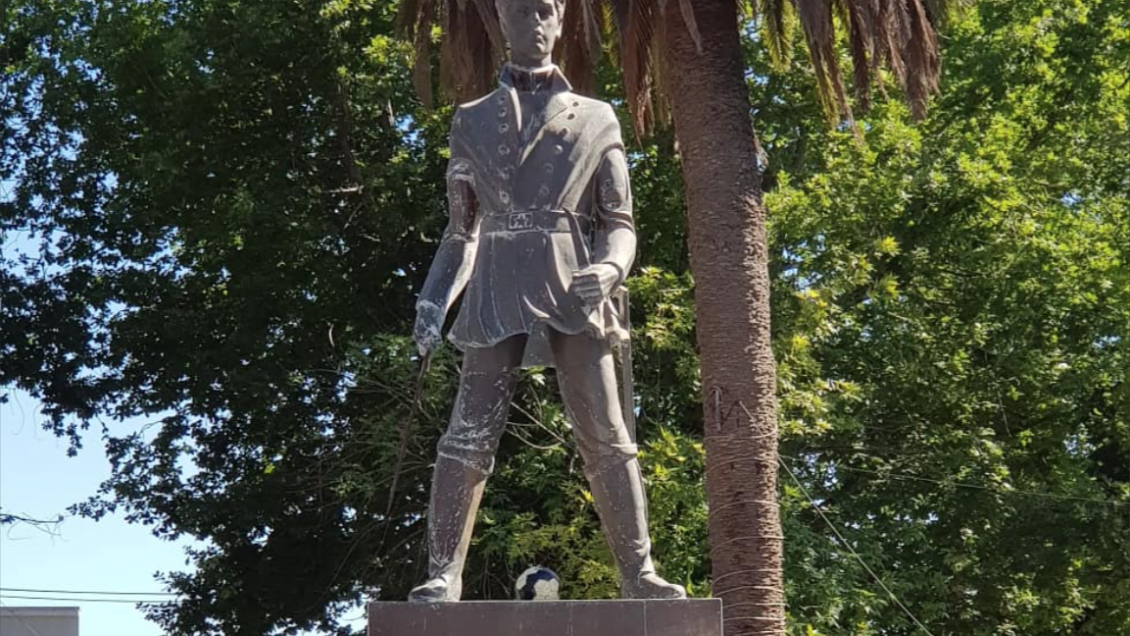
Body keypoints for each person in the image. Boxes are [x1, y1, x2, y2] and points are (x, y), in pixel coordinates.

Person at [408, 0, 686, 602]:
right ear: (500, 23)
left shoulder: (596, 117)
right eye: (520, 13)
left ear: (560, 23)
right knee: (466, 434)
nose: (533, 24)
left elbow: (620, 222)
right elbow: (461, 233)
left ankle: (639, 575)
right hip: (495, 283)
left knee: (607, 433)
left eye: (545, 12)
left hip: (573, 283)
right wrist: (433, 303)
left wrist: (610, 267)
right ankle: (442, 574)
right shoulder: (471, 120)